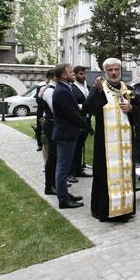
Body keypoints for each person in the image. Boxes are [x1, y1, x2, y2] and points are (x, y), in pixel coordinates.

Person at [86, 58, 140, 222]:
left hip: (125, 144)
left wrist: (131, 109)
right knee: (104, 175)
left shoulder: (128, 89)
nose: (114, 73)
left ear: (120, 70)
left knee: (125, 175)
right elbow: (88, 109)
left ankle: (125, 210)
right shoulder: (98, 88)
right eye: (110, 70)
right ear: (105, 72)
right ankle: (104, 211)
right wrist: (98, 92)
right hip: (105, 143)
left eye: (116, 69)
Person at [52, 63, 86, 209]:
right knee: (63, 169)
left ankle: (65, 194)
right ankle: (63, 200)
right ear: (64, 75)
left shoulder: (65, 88)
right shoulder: (61, 91)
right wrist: (85, 125)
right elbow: (72, 113)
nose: (73, 74)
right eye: (71, 72)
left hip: (67, 133)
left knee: (63, 167)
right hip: (65, 134)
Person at [70, 65, 92, 179]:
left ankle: (78, 170)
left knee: (80, 146)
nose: (83, 76)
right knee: (74, 147)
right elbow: (72, 105)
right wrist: (84, 106)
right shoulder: (72, 88)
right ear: (75, 75)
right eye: (81, 74)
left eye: (84, 74)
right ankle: (71, 172)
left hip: (87, 120)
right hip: (77, 121)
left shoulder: (88, 87)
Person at [40, 69, 57, 195]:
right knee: (52, 156)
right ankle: (49, 185)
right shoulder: (49, 90)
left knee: (55, 156)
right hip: (51, 124)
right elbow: (56, 110)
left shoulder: (52, 88)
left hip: (53, 123)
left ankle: (54, 183)